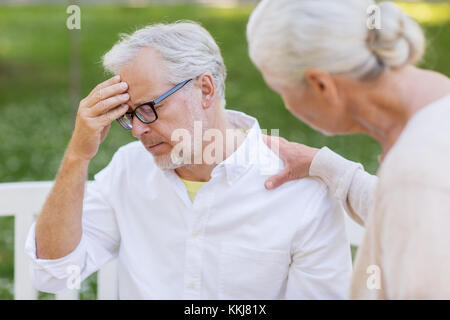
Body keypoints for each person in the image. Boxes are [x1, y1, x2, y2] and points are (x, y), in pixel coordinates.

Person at [25, 21, 352, 299]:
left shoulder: (301, 192)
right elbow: (53, 273)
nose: (138, 129)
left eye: (149, 108)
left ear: (205, 89)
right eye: (128, 115)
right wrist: (78, 155)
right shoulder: (128, 168)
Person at [247, 0, 450, 299]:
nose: (287, 106)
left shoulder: (416, 174)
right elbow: (404, 217)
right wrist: (322, 164)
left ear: (321, 85)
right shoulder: (435, 112)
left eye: (282, 92)